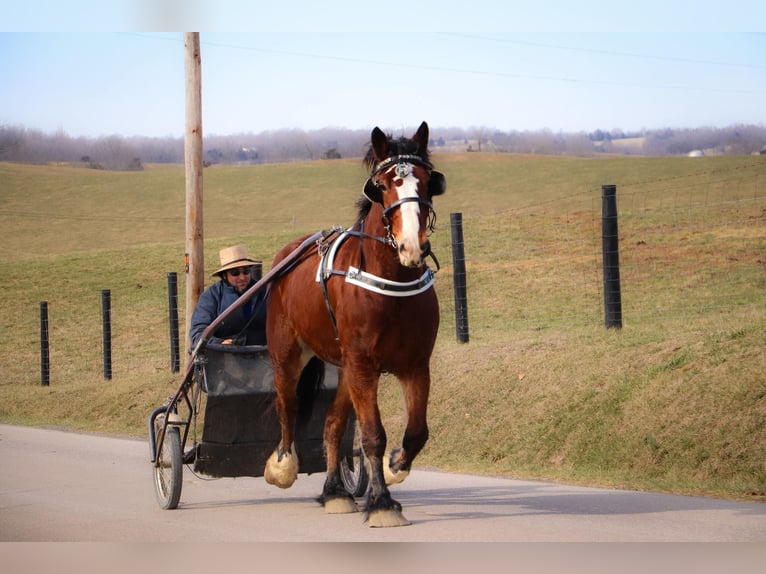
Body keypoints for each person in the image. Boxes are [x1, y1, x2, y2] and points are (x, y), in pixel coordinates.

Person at [189, 245, 267, 348]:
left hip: (264, 354)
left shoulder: (264, 291)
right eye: (235, 273)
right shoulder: (212, 296)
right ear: (224, 275)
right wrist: (218, 343)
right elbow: (198, 332)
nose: (242, 277)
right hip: (225, 356)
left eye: (246, 271)